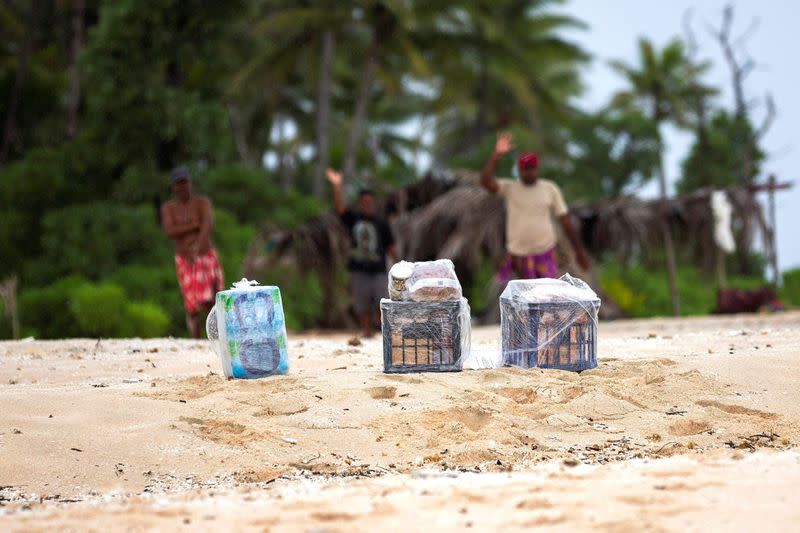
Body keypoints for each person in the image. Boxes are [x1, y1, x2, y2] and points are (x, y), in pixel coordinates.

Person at [480, 132, 590, 281]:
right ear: (519, 170)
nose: (529, 172)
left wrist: (579, 252)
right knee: (523, 298)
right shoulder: (509, 188)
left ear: (537, 168)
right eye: (525, 169)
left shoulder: (549, 188)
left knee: (546, 296)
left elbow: (565, 220)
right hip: (519, 255)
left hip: (545, 252)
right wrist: (497, 154)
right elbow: (485, 182)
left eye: (531, 168)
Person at [326, 168, 398, 338]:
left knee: (382, 301)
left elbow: (390, 246)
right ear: (360, 203)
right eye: (364, 201)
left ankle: (384, 331)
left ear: (373, 203)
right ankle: (367, 331)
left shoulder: (382, 223)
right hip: (358, 269)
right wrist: (337, 186)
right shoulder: (354, 219)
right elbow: (340, 209)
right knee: (361, 303)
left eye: (369, 201)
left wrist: (400, 264)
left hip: (379, 270)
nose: (367, 204)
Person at [161, 167, 224, 338]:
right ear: (173, 186)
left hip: (205, 257)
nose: (182, 186)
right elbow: (169, 230)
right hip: (184, 260)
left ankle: (217, 338)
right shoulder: (169, 208)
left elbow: (207, 225)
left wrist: (197, 248)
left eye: (185, 182)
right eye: (178, 183)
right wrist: (193, 225)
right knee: (192, 304)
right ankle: (196, 341)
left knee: (212, 300)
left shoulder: (202, 203)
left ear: (190, 183)